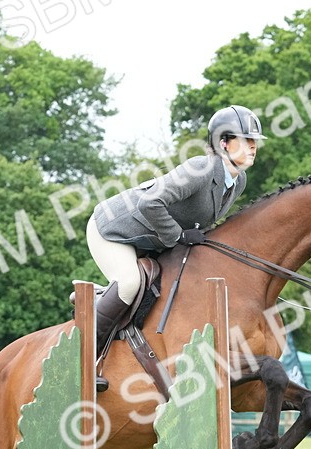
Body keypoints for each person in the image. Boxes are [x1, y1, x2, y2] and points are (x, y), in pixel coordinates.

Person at [86, 104, 266, 390]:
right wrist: (179, 237)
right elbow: (150, 203)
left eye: (255, 141)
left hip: (151, 239)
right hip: (113, 230)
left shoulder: (238, 181)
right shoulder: (200, 167)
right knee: (130, 283)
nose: (254, 147)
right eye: (246, 141)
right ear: (223, 143)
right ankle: (85, 357)